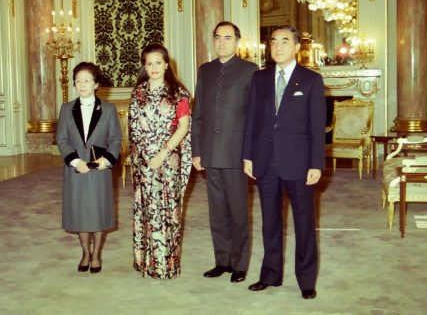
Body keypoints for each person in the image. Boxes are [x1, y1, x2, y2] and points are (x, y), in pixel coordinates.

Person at [242, 25, 326, 299]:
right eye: (273, 42)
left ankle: (306, 280)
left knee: (303, 222)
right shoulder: (259, 78)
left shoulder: (311, 80)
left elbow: (317, 127)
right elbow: (251, 120)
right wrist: (247, 155)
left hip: (299, 163)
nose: (277, 47)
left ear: (297, 47)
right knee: (270, 222)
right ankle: (270, 275)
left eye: (284, 42)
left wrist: (316, 164)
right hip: (265, 161)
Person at [191, 21, 258, 283]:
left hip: (236, 153)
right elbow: (198, 115)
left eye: (227, 38)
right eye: (218, 37)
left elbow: (254, 117)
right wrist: (197, 151)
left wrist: (250, 154)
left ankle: (240, 264)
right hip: (210, 153)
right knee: (217, 211)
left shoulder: (250, 71)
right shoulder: (205, 70)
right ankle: (222, 261)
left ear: (237, 41)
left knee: (239, 211)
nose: (222, 42)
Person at [129, 43, 191, 279]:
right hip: (144, 161)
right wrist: (145, 157)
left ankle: (166, 264)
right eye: (149, 63)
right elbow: (133, 128)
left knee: (168, 210)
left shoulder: (179, 93)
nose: (154, 67)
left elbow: (183, 127)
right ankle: (146, 262)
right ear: (144, 67)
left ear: (166, 64)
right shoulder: (138, 93)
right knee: (147, 210)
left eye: (158, 62)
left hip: (169, 160)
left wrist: (163, 153)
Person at [56, 61, 122, 274]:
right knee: (80, 213)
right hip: (76, 169)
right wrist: (75, 161)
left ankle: (96, 255)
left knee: (97, 213)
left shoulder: (109, 109)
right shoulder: (66, 109)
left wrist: (106, 160)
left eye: (86, 80)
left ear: (96, 84)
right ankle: (85, 252)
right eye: (78, 81)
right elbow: (62, 139)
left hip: (99, 169)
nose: (82, 84)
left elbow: (115, 139)